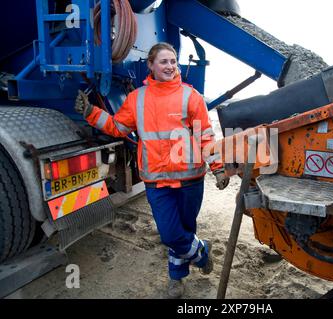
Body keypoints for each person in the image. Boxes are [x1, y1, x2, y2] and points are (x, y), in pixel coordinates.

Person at [74, 42, 230, 298]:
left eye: (173, 62)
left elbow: (205, 136)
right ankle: (201, 253)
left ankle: (176, 279)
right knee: (170, 234)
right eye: (164, 62)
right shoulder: (137, 98)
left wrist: (218, 168)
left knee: (184, 230)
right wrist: (92, 113)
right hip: (156, 180)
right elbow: (118, 128)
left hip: (190, 178)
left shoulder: (191, 97)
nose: (170, 67)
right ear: (151, 65)